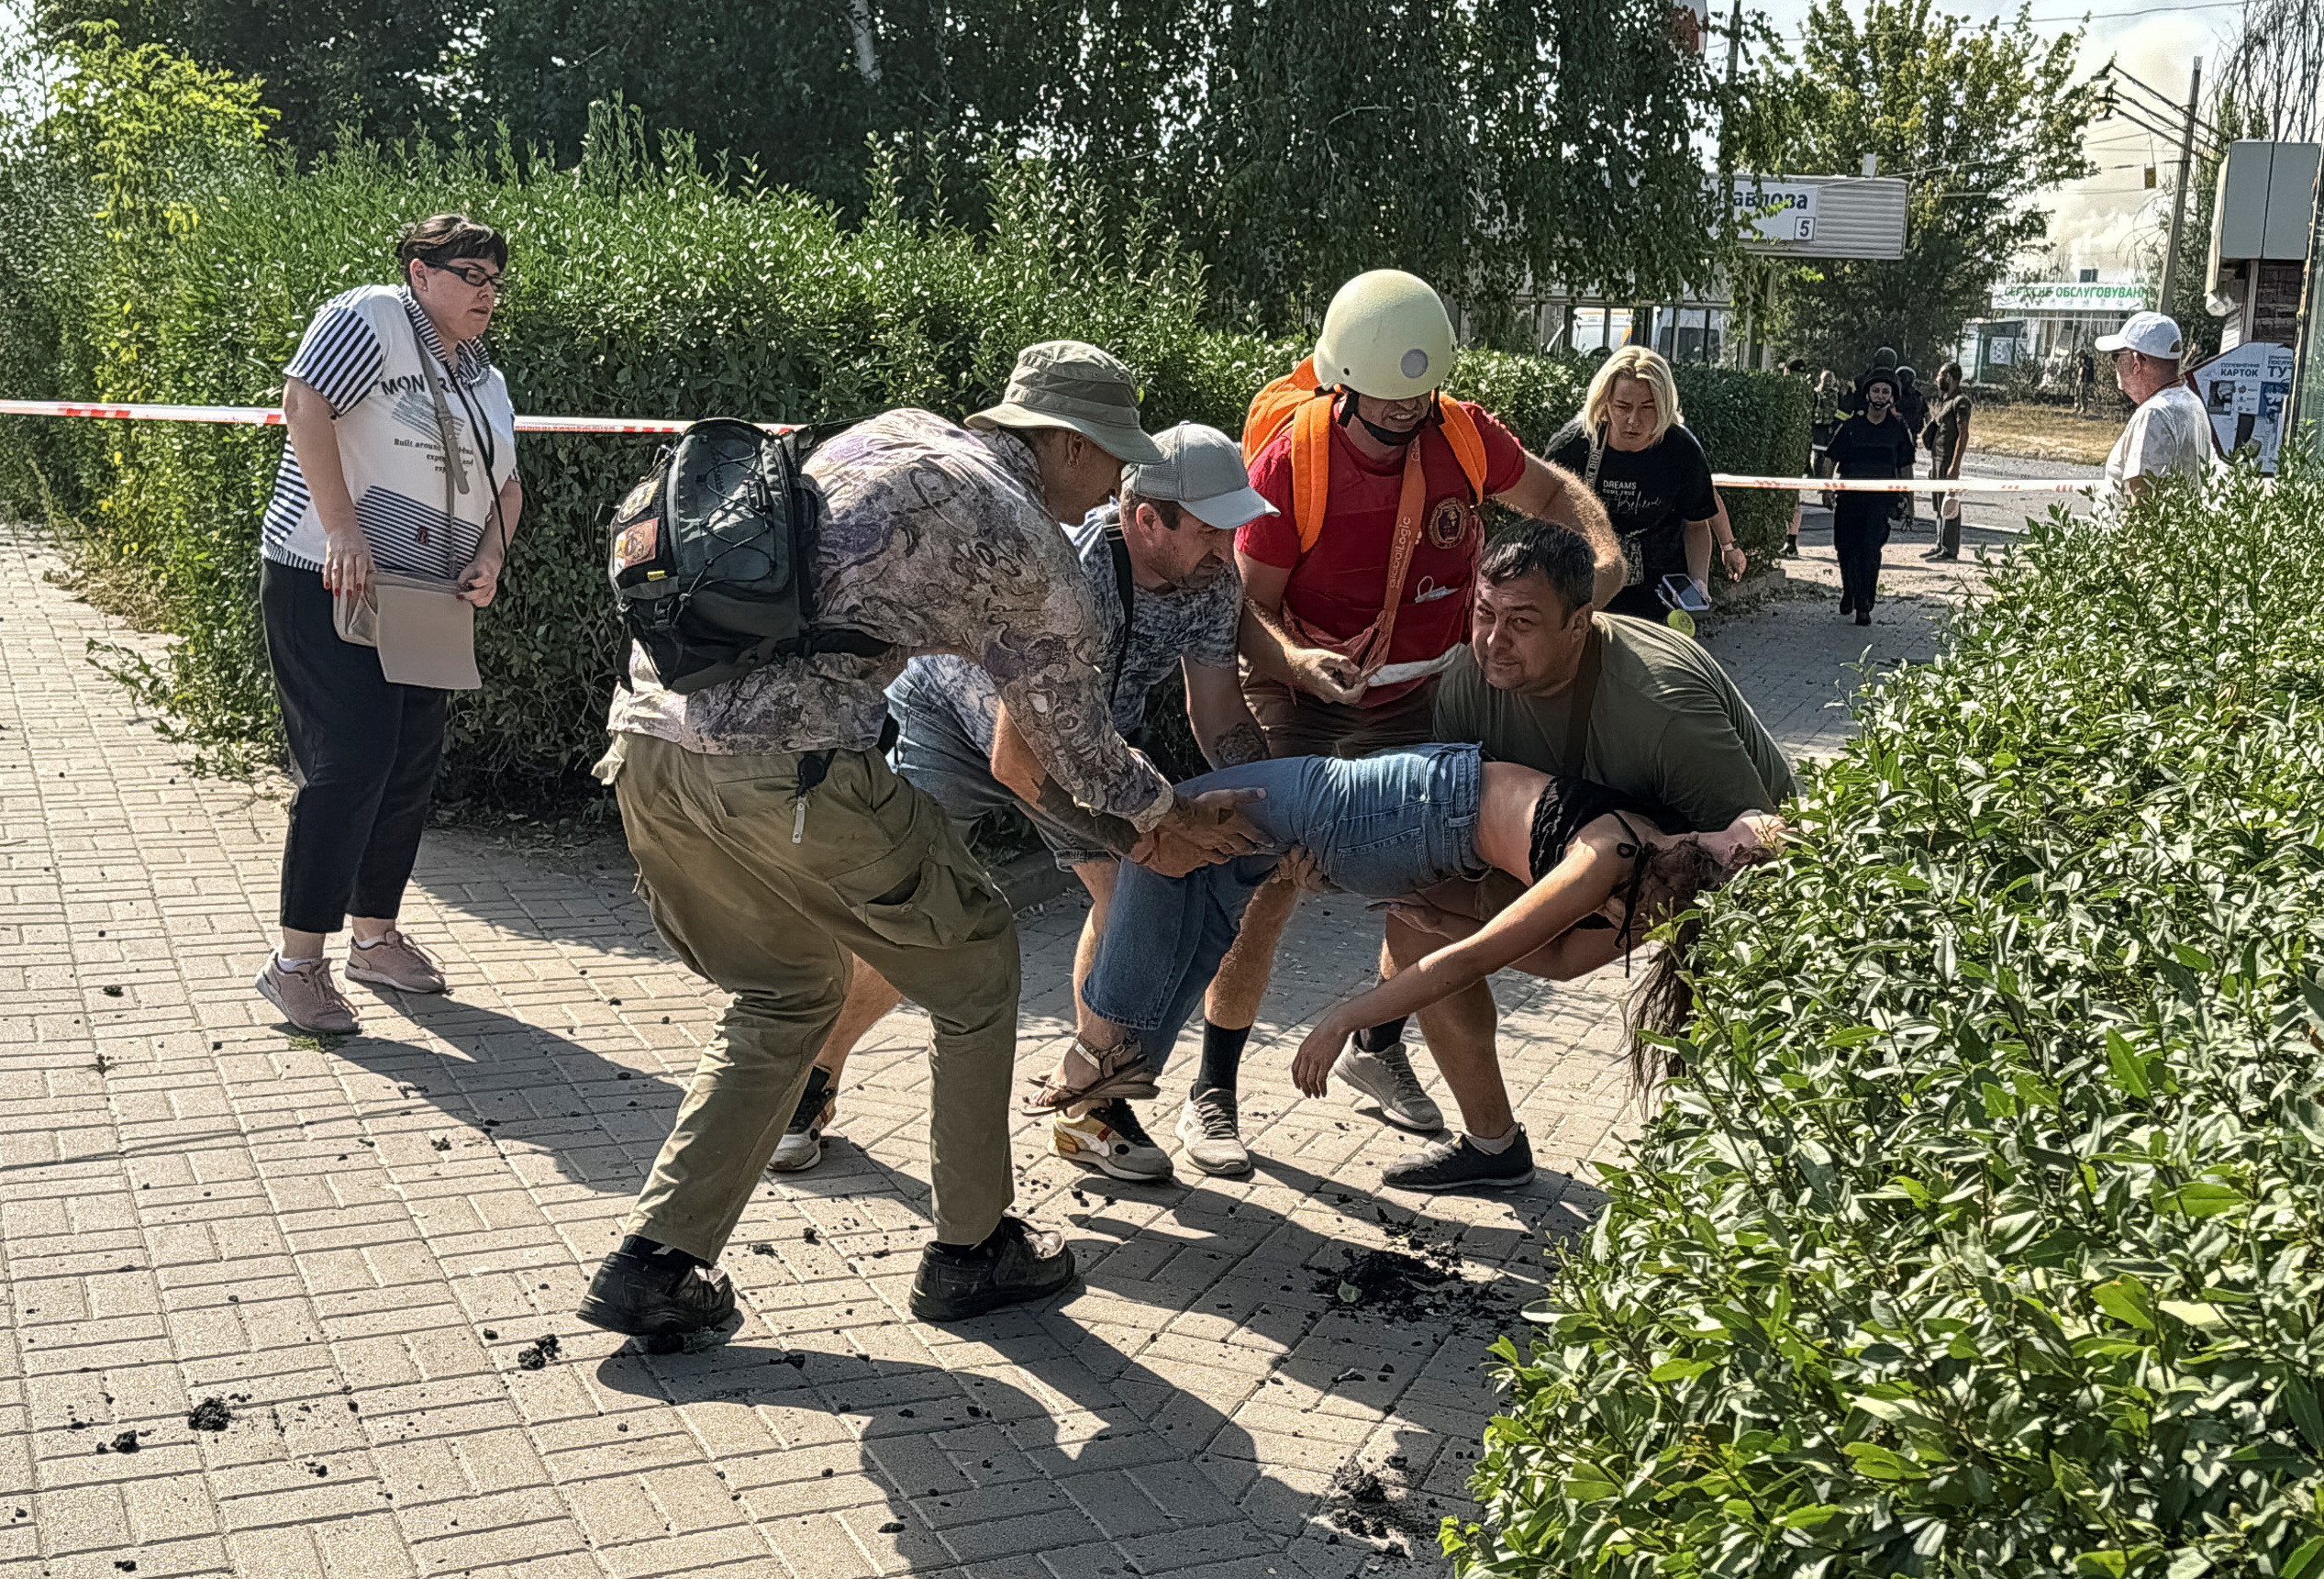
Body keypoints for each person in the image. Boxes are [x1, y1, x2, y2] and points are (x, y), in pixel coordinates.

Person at [579, 341, 1268, 1339]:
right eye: (1111, 461)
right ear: (1066, 443)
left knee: (785, 990)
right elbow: (1071, 744)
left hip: (647, 751)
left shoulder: (895, 430)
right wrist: (1167, 816)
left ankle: (653, 1262)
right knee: (979, 964)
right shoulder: (1032, 546)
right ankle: (972, 1248)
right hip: (796, 766)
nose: (1113, 488)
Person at [774, 423, 1276, 1185]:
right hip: (961, 720)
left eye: (1231, 529)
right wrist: (1142, 831)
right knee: (911, 913)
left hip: (1085, 742)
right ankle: (809, 1080)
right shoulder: (1068, 575)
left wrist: (1275, 806)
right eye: (1210, 530)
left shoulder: (1211, 579)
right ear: (1148, 519)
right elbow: (1020, 760)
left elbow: (1219, 714)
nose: (1224, 548)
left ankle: (1090, 1110)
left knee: (1130, 896)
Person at [1197, 270, 1620, 1158]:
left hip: (1419, 695)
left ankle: (1378, 1049)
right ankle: (1212, 1087)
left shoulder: (1462, 433)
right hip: (1304, 688)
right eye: (1386, 401)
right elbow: (1244, 607)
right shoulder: (1293, 459)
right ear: (1343, 382)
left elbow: (1551, 494)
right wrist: (1296, 662)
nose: (1404, 415)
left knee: (1431, 885)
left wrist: (1603, 552)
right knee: (1267, 879)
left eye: (1417, 398)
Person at [1065, 739, 1777, 1192]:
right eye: (1728, 845)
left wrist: (1386, 977)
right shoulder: (1634, 881)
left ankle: (1100, 1072)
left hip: (1413, 820)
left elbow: (1515, 962)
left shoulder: (1637, 866)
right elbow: (1519, 963)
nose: (1725, 837)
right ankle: (1104, 1072)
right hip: (1413, 821)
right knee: (1190, 864)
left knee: (1189, 856)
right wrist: (1419, 946)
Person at [1382, 521, 1792, 1188]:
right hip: (1585, 835)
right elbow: (1449, 824)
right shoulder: (1465, 678)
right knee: (1415, 912)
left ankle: (1728, 1161)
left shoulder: (1660, 707)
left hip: (1707, 849)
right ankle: (1492, 1148)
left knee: (1722, 982)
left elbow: (1758, 848)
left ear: (1580, 621)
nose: (1493, 639)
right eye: (1484, 613)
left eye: (1521, 621)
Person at [253, 214, 524, 1036]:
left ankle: (374, 938)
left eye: (494, 280)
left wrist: (492, 557)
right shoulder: (370, 314)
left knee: (407, 766)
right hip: (327, 576)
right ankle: (296, 964)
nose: (487, 293)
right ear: (418, 271)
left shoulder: (485, 378)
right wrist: (341, 528)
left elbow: (508, 487)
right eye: (471, 274)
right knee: (350, 764)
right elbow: (304, 402)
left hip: (427, 598)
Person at [1544, 346, 1747, 622]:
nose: (1634, 421)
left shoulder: (1681, 451)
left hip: (1659, 593)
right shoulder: (1572, 446)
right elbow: (1542, 516)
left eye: (1648, 408)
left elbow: (1697, 523)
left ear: (1664, 406)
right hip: (1586, 587)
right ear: (1605, 402)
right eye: (1623, 407)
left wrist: (1699, 583)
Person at [1822, 371, 1918, 625]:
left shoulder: (1897, 430)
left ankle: (1865, 604)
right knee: (1845, 548)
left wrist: (1910, 501)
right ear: (1867, 394)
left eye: (1885, 392)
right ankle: (1849, 591)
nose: (1880, 396)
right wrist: (1826, 489)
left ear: (1892, 397)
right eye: (1876, 390)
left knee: (1870, 551)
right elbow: (1830, 457)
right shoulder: (1852, 426)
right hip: (1849, 499)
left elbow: (1906, 467)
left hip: (1879, 502)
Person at [2096, 312, 2211, 508]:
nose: (2114, 365)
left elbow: (2142, 506)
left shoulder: (2154, 414)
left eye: (2117, 356)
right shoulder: (2191, 402)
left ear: (2136, 362)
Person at [1919, 361, 1973, 561]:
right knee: (1937, 503)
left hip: (1948, 459)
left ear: (1950, 377)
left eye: (1940, 374)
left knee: (1948, 504)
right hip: (1937, 458)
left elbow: (1963, 434)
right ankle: (1940, 544)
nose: (1937, 378)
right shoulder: (1946, 401)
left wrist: (1955, 466)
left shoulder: (1960, 402)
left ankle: (1950, 549)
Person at [1891, 366, 1929, 533]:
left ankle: (1894, 511)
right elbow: (1927, 419)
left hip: (1892, 441)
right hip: (1910, 442)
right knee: (1907, 480)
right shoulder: (1919, 397)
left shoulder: (1895, 397)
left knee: (1890, 478)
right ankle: (1910, 514)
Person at [2074, 346, 2098, 415]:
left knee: (2083, 394)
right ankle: (2077, 407)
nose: (2079, 357)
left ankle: (2083, 407)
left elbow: (2088, 368)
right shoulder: (2080, 359)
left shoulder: (2088, 359)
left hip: (2085, 379)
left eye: (2080, 355)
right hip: (2079, 378)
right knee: (2077, 392)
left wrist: (2082, 365)